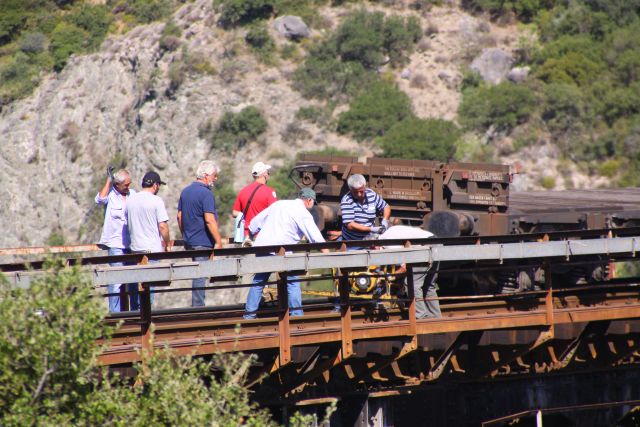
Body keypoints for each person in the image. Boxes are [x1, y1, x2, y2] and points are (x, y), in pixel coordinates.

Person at [243, 188, 327, 319]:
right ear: (309, 200)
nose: (312, 206)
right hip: (281, 252)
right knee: (292, 282)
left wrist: (250, 235)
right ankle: (297, 316)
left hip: (262, 247)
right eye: (313, 203)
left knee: (259, 281)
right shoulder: (303, 212)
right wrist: (329, 255)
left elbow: (254, 223)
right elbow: (316, 238)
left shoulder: (279, 204)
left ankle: (249, 315)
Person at [177, 160, 222, 307]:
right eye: (214, 175)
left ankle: (198, 306)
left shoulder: (185, 191)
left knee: (197, 273)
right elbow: (209, 220)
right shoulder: (206, 193)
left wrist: (184, 235)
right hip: (202, 241)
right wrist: (218, 241)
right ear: (206, 175)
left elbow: (179, 216)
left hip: (190, 241)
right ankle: (198, 308)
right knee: (200, 275)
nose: (215, 178)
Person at [127, 171, 172, 307]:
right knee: (149, 288)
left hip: (135, 249)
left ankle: (135, 317)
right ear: (155, 185)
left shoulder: (131, 200)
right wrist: (168, 244)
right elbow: (163, 226)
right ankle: (147, 317)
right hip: (151, 250)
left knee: (136, 287)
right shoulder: (156, 201)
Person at [95, 167, 137, 312]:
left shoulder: (133, 194)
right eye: (125, 185)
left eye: (129, 184)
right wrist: (108, 181)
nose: (128, 187)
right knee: (116, 281)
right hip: (116, 244)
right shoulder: (111, 196)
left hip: (131, 244)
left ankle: (136, 311)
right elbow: (100, 199)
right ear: (117, 184)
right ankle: (115, 313)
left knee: (133, 280)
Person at [378, 225, 441, 319]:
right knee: (429, 285)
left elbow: (404, 267)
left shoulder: (387, 243)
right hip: (436, 243)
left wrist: (391, 276)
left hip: (424, 246)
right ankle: (436, 316)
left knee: (412, 283)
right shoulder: (390, 232)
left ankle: (420, 316)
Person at [232, 161, 278, 240]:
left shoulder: (243, 191)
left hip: (245, 236)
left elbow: (234, 213)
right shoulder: (270, 192)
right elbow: (275, 214)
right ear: (264, 175)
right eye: (268, 173)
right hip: (262, 235)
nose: (268, 174)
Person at [340, 174, 391, 243]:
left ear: (364, 187)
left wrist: (385, 221)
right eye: (355, 192)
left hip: (370, 239)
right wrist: (371, 229)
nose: (359, 195)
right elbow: (350, 225)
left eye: (361, 191)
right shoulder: (347, 200)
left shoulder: (372, 194)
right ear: (350, 189)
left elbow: (386, 207)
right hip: (352, 242)